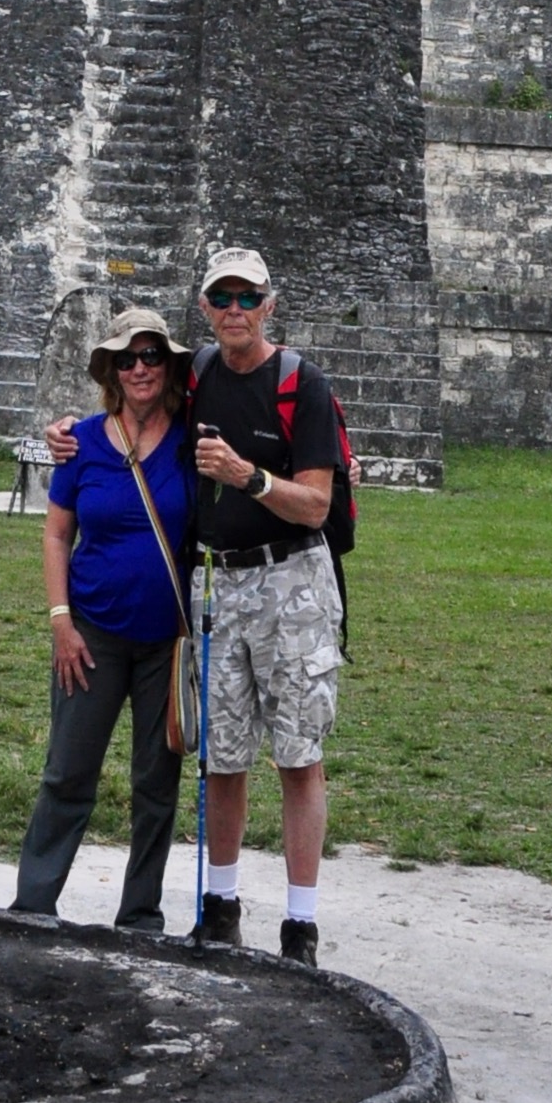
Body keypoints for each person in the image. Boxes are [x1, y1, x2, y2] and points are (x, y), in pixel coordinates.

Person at [11, 309, 196, 932]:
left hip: (166, 642)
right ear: (111, 371)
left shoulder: (193, 441)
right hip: (90, 635)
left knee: (156, 785)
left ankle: (140, 914)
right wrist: (60, 621)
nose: (140, 368)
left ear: (168, 366)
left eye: (151, 356)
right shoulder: (81, 442)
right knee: (68, 772)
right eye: (127, 359)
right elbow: (56, 535)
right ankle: (33, 906)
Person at [186, 245, 341, 968]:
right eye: (223, 298)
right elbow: (128, 407)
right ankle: (221, 908)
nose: (235, 310)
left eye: (248, 298)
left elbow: (316, 504)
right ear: (205, 307)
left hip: (292, 581)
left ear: (269, 306)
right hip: (221, 581)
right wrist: (67, 436)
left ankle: (299, 927)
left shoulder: (300, 384)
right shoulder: (196, 375)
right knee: (222, 754)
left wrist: (248, 477)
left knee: (298, 755)